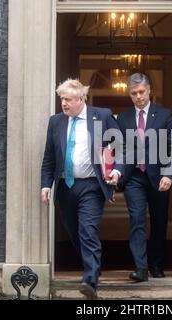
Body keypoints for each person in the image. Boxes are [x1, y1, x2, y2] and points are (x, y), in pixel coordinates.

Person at [41, 78, 123, 299]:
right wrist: (46, 185)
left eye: (67, 99)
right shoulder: (56, 122)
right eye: (61, 99)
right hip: (66, 187)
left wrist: (117, 171)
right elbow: (49, 158)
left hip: (91, 186)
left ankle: (90, 279)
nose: (64, 104)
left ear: (80, 99)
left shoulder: (102, 116)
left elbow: (120, 146)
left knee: (88, 230)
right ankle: (93, 265)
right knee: (74, 231)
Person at [117, 73, 172, 282]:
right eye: (134, 93)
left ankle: (156, 264)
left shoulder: (165, 115)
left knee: (159, 221)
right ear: (129, 94)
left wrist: (169, 174)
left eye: (141, 92)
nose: (138, 97)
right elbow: (118, 148)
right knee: (137, 220)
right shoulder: (123, 118)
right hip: (134, 177)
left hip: (159, 176)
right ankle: (141, 268)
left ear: (149, 90)